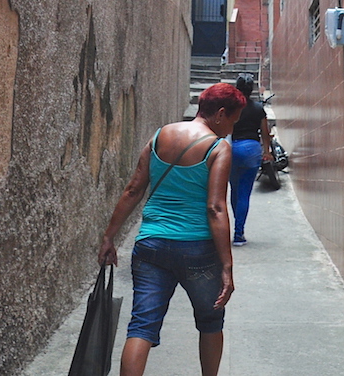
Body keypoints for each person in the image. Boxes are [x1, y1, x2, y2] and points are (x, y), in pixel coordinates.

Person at [98, 82, 247, 376]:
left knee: (141, 325)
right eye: (232, 120)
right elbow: (215, 208)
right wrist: (227, 265)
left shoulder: (160, 136)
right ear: (219, 114)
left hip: (151, 244)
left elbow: (132, 190)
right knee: (210, 321)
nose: (231, 129)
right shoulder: (218, 147)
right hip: (199, 249)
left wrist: (108, 236)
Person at [227, 73, 273, 246]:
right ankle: (239, 233)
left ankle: (236, 223)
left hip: (232, 149)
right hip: (252, 149)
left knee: (234, 190)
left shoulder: (231, 108)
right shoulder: (258, 109)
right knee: (245, 192)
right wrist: (266, 151)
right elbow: (265, 133)